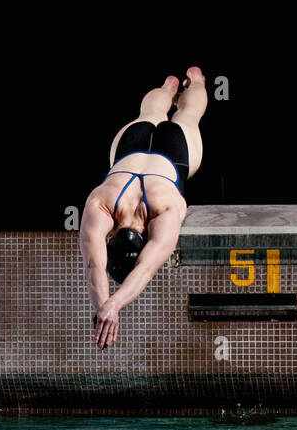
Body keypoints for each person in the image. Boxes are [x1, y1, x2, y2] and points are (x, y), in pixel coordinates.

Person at [79, 67, 207, 348]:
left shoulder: (165, 212)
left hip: (174, 156)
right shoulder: (102, 204)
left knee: (189, 115)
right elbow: (94, 265)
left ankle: (196, 81)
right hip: (130, 149)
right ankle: (170, 85)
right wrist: (104, 306)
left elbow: (146, 269)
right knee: (150, 112)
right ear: (110, 243)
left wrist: (114, 305)